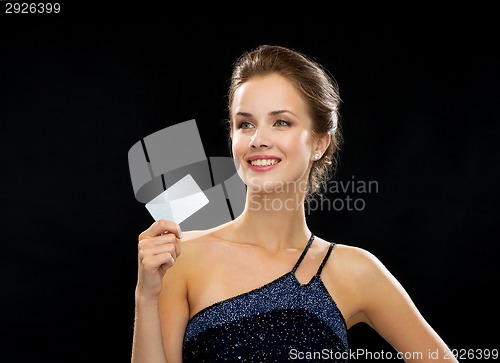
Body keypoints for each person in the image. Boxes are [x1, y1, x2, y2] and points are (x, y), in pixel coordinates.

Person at [130, 44, 458, 362]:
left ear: (318, 142)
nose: (258, 139)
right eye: (245, 124)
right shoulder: (181, 257)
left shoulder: (354, 271)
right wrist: (146, 297)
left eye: (281, 122)